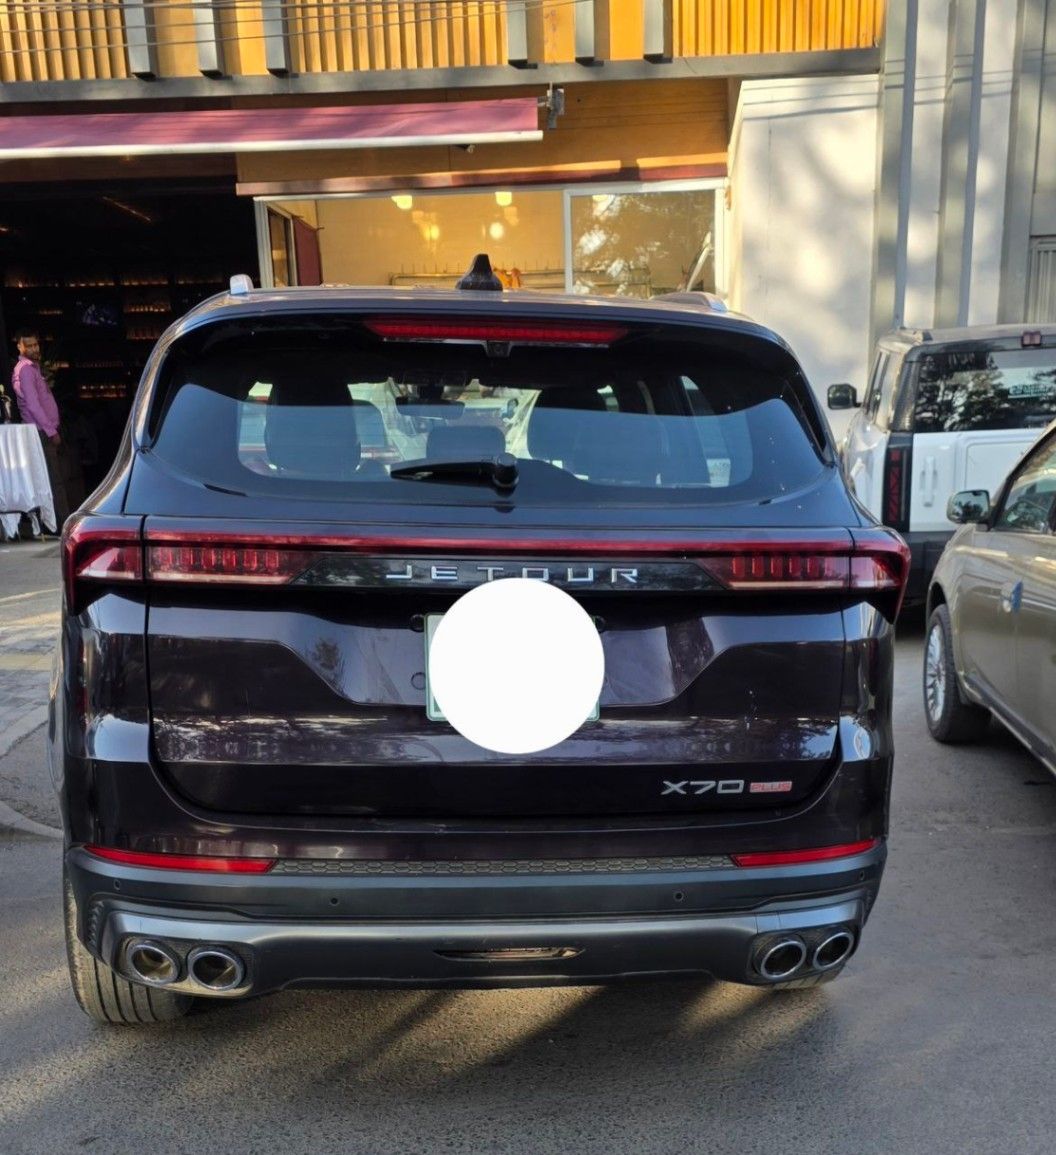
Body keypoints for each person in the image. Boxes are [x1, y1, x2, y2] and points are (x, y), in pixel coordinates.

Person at [11, 330, 70, 531]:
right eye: (29, 346)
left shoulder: (31, 368)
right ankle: (62, 524)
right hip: (41, 432)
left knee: (53, 478)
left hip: (42, 430)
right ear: (20, 347)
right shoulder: (26, 370)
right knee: (54, 480)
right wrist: (51, 431)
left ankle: (57, 523)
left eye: (35, 345)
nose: (34, 349)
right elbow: (33, 405)